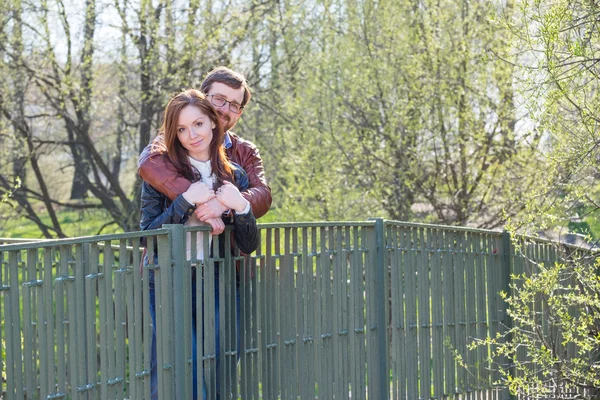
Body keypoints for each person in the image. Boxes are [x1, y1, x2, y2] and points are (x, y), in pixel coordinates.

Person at [140, 89, 259, 399]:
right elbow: (147, 235)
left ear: (213, 125)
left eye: (198, 124)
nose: (191, 135)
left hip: (216, 279)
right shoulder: (163, 172)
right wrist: (185, 201)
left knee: (221, 365)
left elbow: (248, 244)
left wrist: (242, 207)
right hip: (169, 279)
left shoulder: (235, 176)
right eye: (181, 129)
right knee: (186, 366)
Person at [138, 66, 272, 234]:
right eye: (219, 99)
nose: (224, 109)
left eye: (234, 105)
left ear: (239, 114)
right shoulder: (172, 140)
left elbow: (263, 195)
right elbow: (148, 163)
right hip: (171, 257)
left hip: (226, 257)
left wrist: (224, 204)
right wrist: (199, 203)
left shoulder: (246, 151)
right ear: (202, 98)